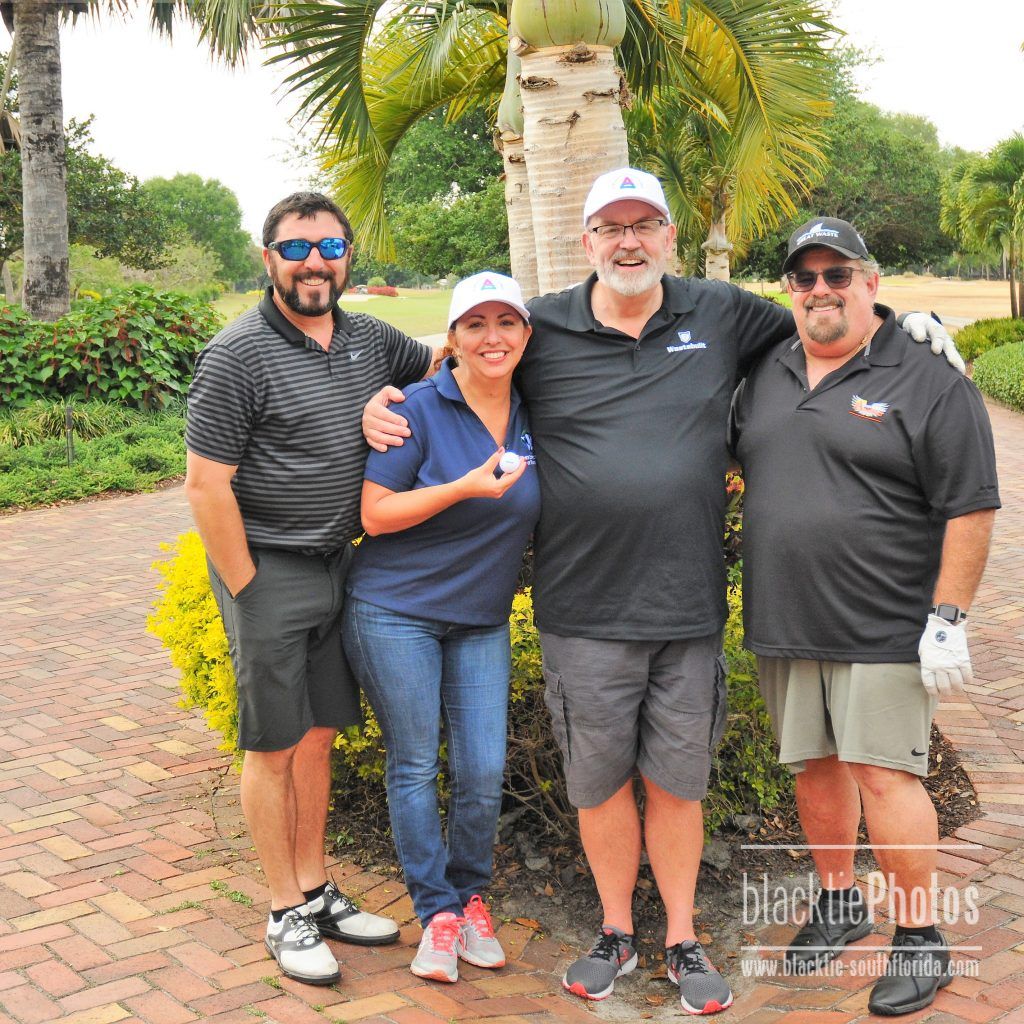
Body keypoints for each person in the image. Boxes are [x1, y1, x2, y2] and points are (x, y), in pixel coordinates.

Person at [362, 170, 959, 1014]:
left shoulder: (721, 311)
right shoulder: (545, 325)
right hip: (582, 609)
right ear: (587, 242)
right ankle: (614, 931)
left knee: (678, 784)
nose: (629, 241)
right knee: (600, 783)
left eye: (644, 224)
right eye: (611, 227)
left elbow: (825, 316)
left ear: (670, 235)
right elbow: (468, 358)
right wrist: (387, 399)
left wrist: (905, 326)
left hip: (686, 608)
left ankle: (682, 937)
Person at [729, 217, 999, 1016]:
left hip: (884, 620)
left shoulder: (927, 375)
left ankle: (920, 937)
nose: (821, 290)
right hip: (786, 617)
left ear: (871, 283)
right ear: (789, 289)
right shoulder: (765, 368)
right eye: (805, 277)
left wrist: (948, 616)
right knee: (814, 766)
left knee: (884, 773)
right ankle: (840, 901)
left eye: (837, 275)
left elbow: (971, 505)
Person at [184, 192, 436, 986]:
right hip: (268, 569)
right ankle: (282, 909)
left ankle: (316, 888)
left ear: (349, 256)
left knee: (319, 735)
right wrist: (247, 587)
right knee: (273, 745)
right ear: (269, 259)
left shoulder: (370, 339)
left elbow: (443, 360)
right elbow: (205, 486)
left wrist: (394, 395)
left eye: (329, 247)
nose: (314, 263)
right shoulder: (236, 354)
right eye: (296, 249)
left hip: (340, 564)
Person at [341, 272, 541, 984]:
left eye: (506, 322)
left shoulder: (536, 406)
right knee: (416, 763)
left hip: (480, 618)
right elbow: (374, 515)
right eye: (475, 324)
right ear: (452, 338)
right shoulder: (417, 407)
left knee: (483, 768)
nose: (493, 338)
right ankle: (437, 913)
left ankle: (470, 896)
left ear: (526, 334)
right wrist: (462, 487)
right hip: (396, 611)